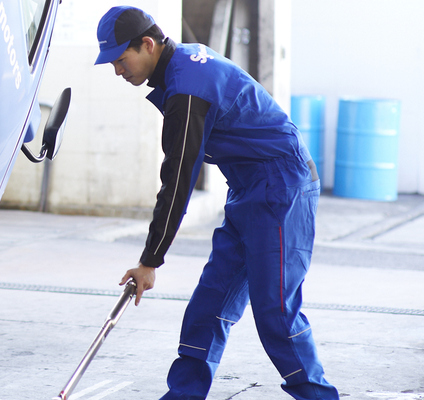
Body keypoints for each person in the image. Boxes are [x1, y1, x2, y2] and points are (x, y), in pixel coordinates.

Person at [94, 6, 339, 400]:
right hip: (249, 188)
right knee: (209, 304)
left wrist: (149, 261)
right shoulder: (182, 70)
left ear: (147, 44)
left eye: (121, 60)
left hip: (281, 187)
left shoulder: (189, 86)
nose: (118, 71)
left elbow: (177, 181)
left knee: (276, 310)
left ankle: (319, 397)